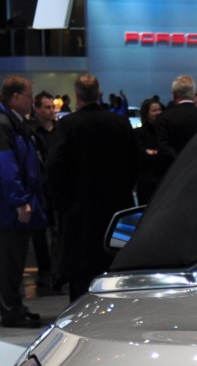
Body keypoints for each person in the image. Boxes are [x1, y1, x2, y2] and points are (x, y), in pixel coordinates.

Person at [46, 73, 139, 300]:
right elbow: (136, 162)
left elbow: (54, 165)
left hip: (80, 213)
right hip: (117, 210)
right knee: (116, 271)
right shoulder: (120, 123)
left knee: (81, 279)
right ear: (100, 94)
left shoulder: (67, 125)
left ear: (76, 96)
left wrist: (62, 200)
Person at [0, 74, 46, 328]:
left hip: (12, 206)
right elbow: (4, 168)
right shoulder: (3, 125)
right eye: (29, 96)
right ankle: (11, 312)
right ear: (16, 97)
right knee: (8, 263)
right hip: (7, 208)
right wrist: (19, 200)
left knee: (15, 260)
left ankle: (15, 307)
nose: (32, 100)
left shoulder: (14, 123)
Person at [30, 91, 62, 294]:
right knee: (40, 234)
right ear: (38, 109)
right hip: (39, 188)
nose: (51, 111)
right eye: (47, 107)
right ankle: (45, 272)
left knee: (58, 232)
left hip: (57, 187)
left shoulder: (60, 130)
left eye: (53, 107)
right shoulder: (31, 132)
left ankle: (58, 272)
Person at [133, 95, 175, 205]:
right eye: (154, 110)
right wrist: (160, 153)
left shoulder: (166, 132)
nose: (158, 113)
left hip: (164, 180)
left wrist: (153, 152)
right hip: (147, 182)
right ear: (146, 113)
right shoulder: (138, 133)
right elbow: (142, 155)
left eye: (159, 110)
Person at [156, 74, 197, 153]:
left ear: (174, 94)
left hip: (173, 160)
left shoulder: (163, 118)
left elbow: (163, 147)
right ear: (194, 94)